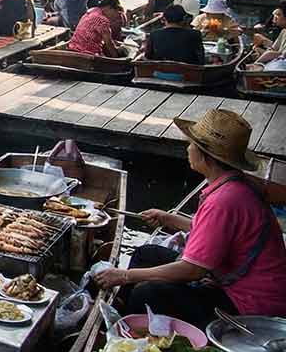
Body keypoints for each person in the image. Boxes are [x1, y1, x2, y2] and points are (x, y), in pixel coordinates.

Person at [94, 109, 286, 329]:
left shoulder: (224, 200)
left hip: (249, 308)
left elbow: (192, 270)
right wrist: (169, 219)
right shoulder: (233, 185)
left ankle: (128, 334)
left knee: (147, 292)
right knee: (146, 253)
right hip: (231, 283)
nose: (188, 148)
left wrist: (125, 276)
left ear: (207, 155)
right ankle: (121, 308)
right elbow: (214, 233)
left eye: (192, 144)